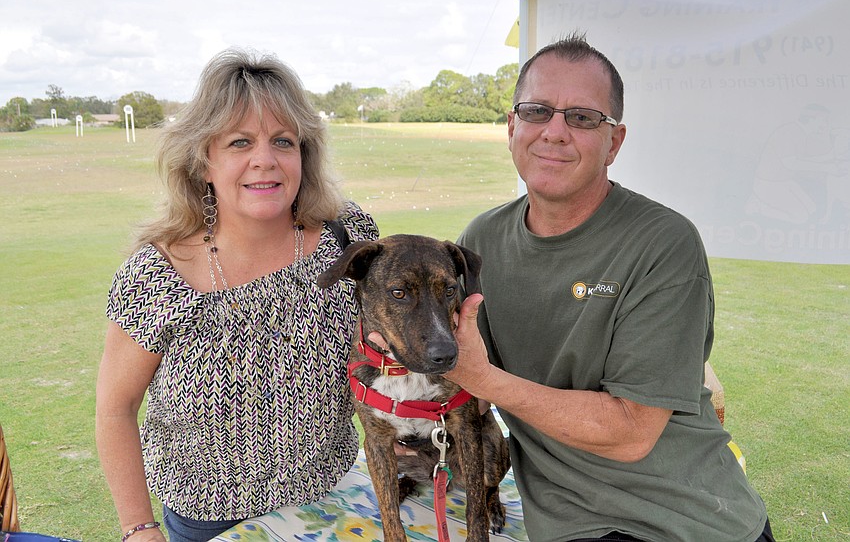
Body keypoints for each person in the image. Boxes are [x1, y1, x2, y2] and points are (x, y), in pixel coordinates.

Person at [447, 32, 774, 541]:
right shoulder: (480, 241)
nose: (554, 132)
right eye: (537, 111)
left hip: (686, 519)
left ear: (614, 142)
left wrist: (481, 378)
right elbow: (456, 371)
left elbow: (630, 432)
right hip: (570, 520)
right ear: (512, 126)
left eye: (581, 117)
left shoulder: (663, 242)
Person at [95, 48, 378, 542]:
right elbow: (115, 408)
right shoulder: (158, 273)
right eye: (240, 142)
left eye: (283, 141)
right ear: (204, 161)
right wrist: (138, 528)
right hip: (210, 522)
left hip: (334, 498)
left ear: (303, 155)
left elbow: (370, 349)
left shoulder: (346, 234)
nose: (264, 161)